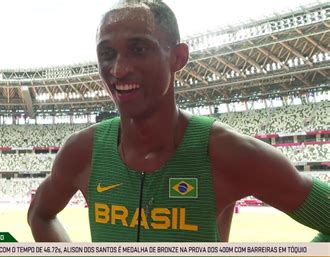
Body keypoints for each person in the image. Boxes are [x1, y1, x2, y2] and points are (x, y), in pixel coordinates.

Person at [27, 0, 329, 242]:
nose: (118, 69)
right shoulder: (82, 151)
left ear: (178, 57)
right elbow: (40, 215)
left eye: (138, 49)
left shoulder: (231, 153)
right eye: (107, 54)